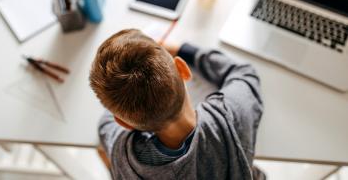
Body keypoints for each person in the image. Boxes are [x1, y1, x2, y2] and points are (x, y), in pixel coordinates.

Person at [89, 29, 264, 179]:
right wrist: (184, 49)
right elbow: (244, 73)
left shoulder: (123, 155)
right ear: (183, 69)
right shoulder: (229, 117)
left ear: (124, 123)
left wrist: (124, 101)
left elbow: (106, 125)